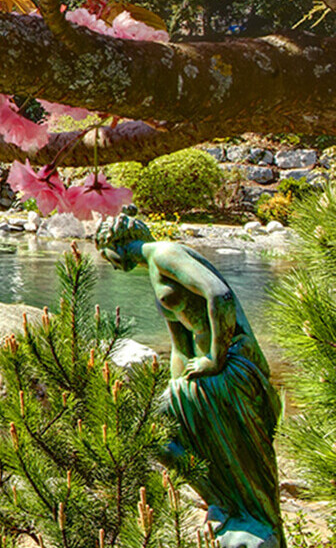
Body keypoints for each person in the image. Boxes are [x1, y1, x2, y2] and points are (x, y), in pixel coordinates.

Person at [96, 206, 282, 548]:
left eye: (103, 252)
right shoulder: (153, 271)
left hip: (233, 365)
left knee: (176, 437)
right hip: (207, 370)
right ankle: (220, 499)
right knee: (157, 432)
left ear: (116, 242)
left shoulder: (167, 254)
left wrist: (213, 358)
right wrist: (172, 391)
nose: (107, 262)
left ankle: (239, 510)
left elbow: (220, 295)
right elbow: (179, 347)